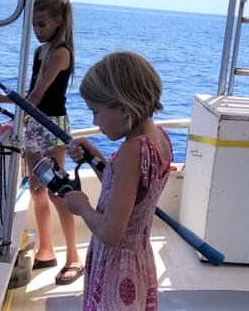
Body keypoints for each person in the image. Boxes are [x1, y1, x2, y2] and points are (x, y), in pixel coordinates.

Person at [0, 0, 83, 285]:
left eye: (42, 23)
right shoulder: (40, 51)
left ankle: (74, 256)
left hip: (51, 127)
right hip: (33, 123)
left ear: (59, 21)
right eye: (34, 24)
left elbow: (38, 96)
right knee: (37, 190)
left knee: (57, 191)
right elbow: (30, 92)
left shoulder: (61, 52)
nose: (37, 30)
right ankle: (46, 250)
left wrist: (15, 122)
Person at [64, 51, 172, 310]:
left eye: (96, 112)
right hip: (138, 261)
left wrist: (82, 206)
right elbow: (128, 189)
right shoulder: (159, 137)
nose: (94, 122)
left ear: (123, 107)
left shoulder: (131, 151)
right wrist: (93, 156)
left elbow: (111, 233)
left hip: (117, 265)